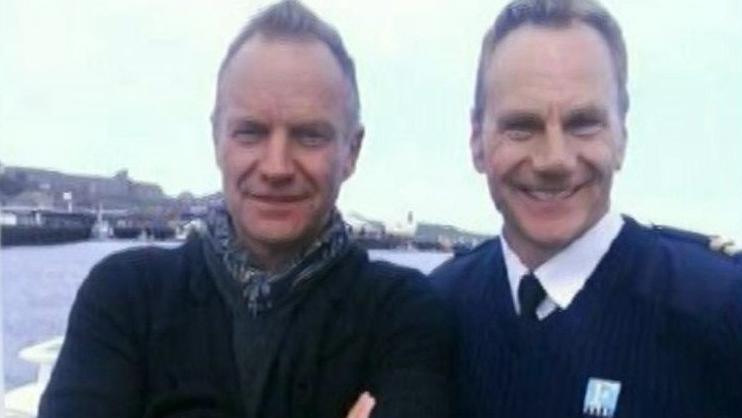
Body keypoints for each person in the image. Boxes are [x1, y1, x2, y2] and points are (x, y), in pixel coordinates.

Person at [39, 2, 451, 417]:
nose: (276, 167)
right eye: (250, 133)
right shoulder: (124, 297)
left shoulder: (404, 315)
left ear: (352, 151)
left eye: (309, 136)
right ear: (217, 139)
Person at [430, 0, 742, 417]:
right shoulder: (435, 310)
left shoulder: (720, 311)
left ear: (621, 135)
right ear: (476, 141)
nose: (554, 160)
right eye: (522, 126)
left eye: (583, 123)